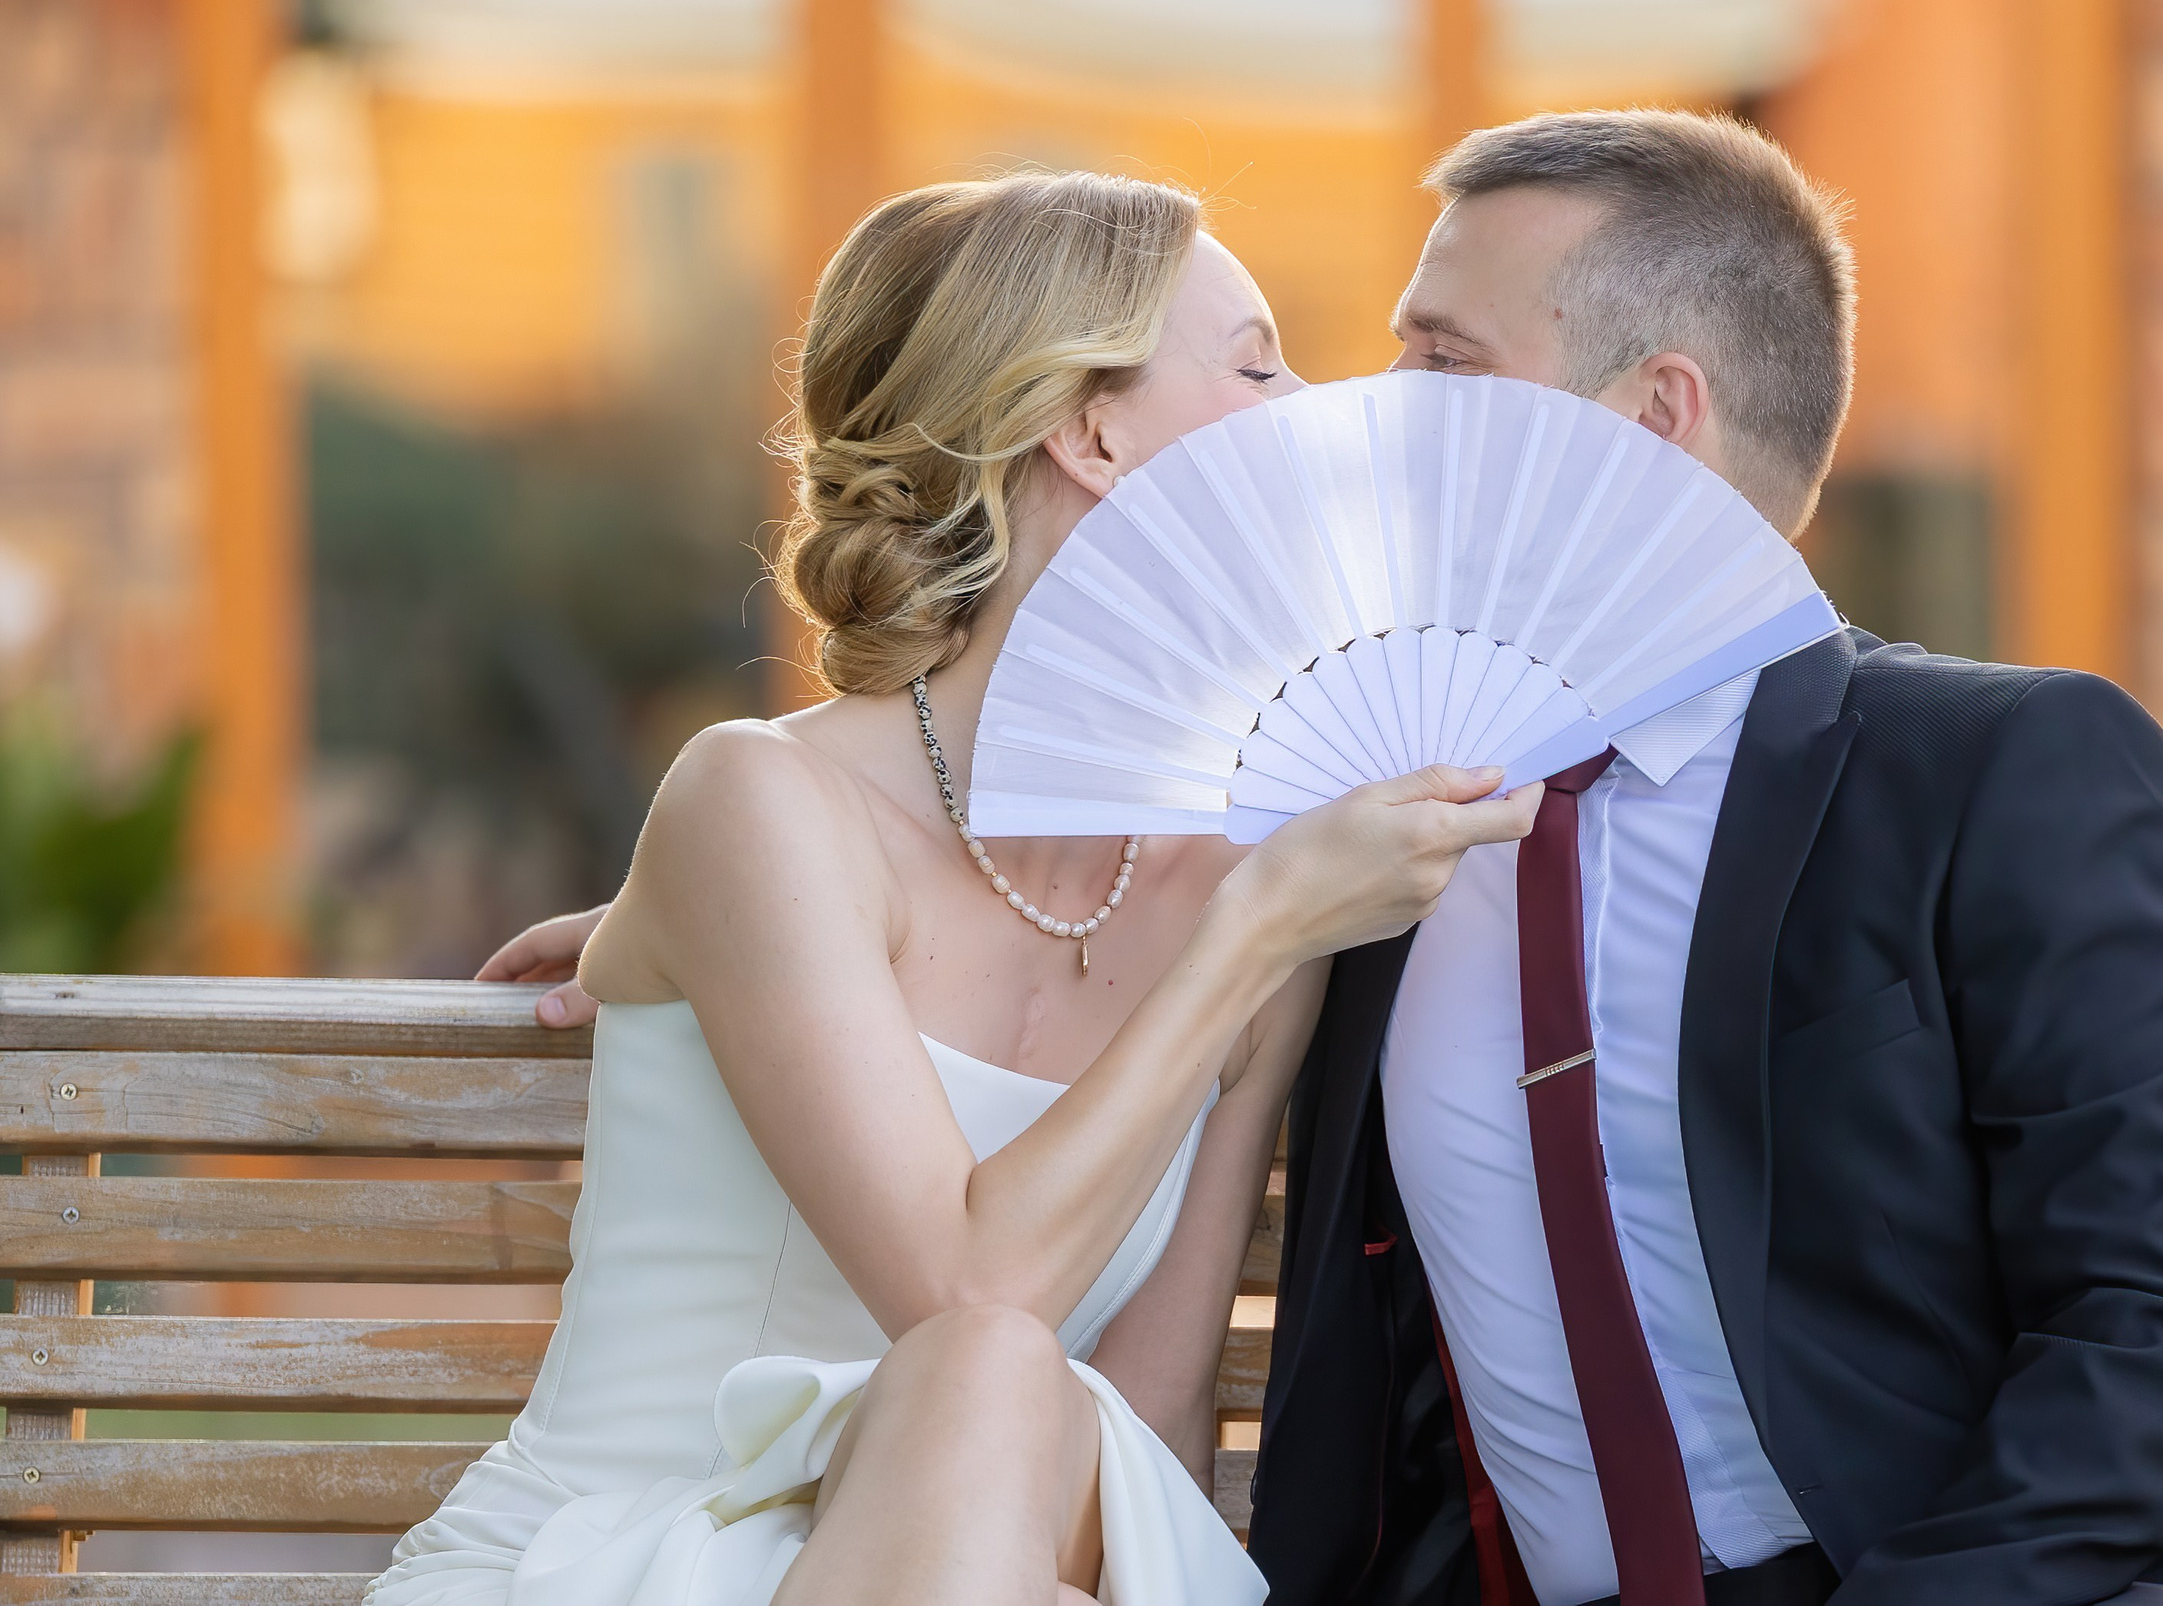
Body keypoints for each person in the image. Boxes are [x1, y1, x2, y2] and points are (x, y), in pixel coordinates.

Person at [376, 170, 1540, 1606]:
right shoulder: (769, 806)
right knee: (990, 1360)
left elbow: (1151, 1416)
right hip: (633, 1558)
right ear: (1092, 428)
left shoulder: (1248, 876)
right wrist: (1252, 938)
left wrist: (1258, 922)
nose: (1310, 406)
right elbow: (969, 1296)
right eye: (1254, 362)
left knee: (1024, 1410)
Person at [1249, 109, 2163, 1606]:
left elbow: (2151, 1329)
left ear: (1650, 414)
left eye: (1447, 361)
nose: (1389, 407)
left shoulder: (2004, 773)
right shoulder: (1379, 831)